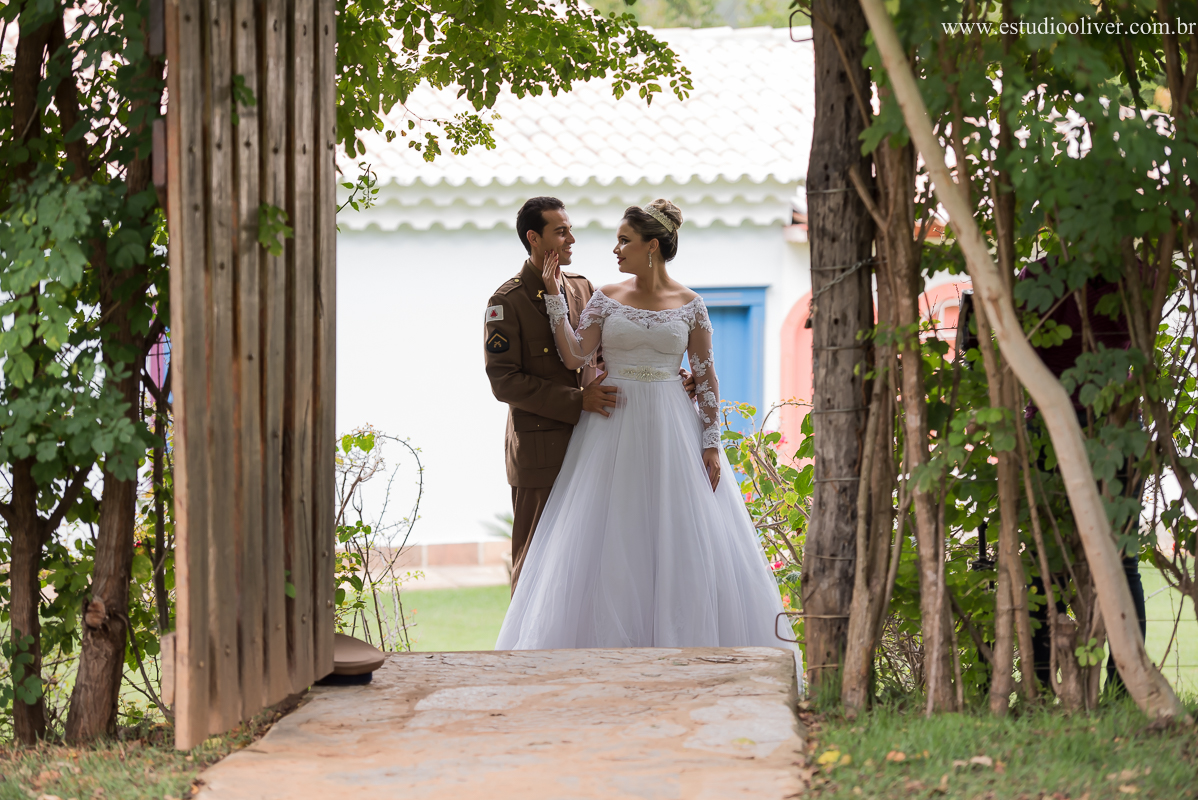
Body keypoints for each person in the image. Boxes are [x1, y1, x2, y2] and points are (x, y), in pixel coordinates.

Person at [494, 199, 799, 667]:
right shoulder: (604, 295)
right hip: (609, 425)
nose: (614, 249)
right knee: (609, 532)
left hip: (672, 424)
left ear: (652, 247)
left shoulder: (692, 305)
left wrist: (710, 442)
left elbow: (706, 374)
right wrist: (555, 299)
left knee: (676, 530)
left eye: (624, 241)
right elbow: (577, 356)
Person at [483, 197, 618, 592]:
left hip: (591, 443)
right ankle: (524, 654)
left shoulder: (583, 288)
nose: (571, 238)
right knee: (534, 565)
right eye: (561, 232)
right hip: (541, 452)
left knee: (587, 563)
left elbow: (605, 354)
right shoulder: (506, 302)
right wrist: (578, 401)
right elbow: (503, 381)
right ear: (534, 238)